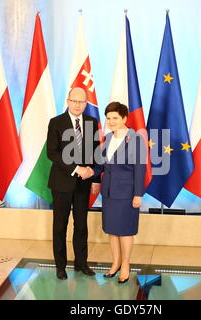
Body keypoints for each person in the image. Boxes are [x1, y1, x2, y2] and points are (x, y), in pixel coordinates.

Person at [88, 101, 147, 283]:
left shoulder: (136, 139)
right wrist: (90, 173)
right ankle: (115, 263)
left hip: (127, 193)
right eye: (108, 118)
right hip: (109, 193)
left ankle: (126, 265)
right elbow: (100, 166)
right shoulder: (107, 138)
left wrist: (138, 194)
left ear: (124, 119)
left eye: (115, 118)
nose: (111, 121)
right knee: (112, 230)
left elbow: (140, 168)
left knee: (125, 231)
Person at [46, 87, 100, 280]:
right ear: (68, 101)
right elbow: (52, 152)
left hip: (84, 184)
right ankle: (60, 266)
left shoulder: (92, 122)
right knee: (60, 225)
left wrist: (95, 177)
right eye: (74, 101)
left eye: (82, 102)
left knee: (81, 225)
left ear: (86, 104)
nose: (78, 105)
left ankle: (81, 263)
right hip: (61, 182)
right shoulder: (56, 122)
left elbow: (95, 152)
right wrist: (77, 168)